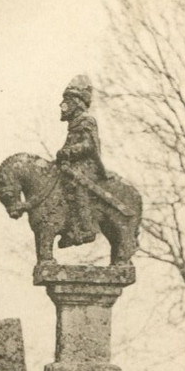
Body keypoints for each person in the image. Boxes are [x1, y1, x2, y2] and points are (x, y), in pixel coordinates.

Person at [56, 74, 107, 247]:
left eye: (67, 100)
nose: (62, 105)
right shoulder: (73, 124)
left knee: (78, 185)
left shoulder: (87, 120)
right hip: (73, 165)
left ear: (76, 102)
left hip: (86, 166)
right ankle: (69, 227)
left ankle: (86, 228)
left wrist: (69, 152)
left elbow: (89, 145)